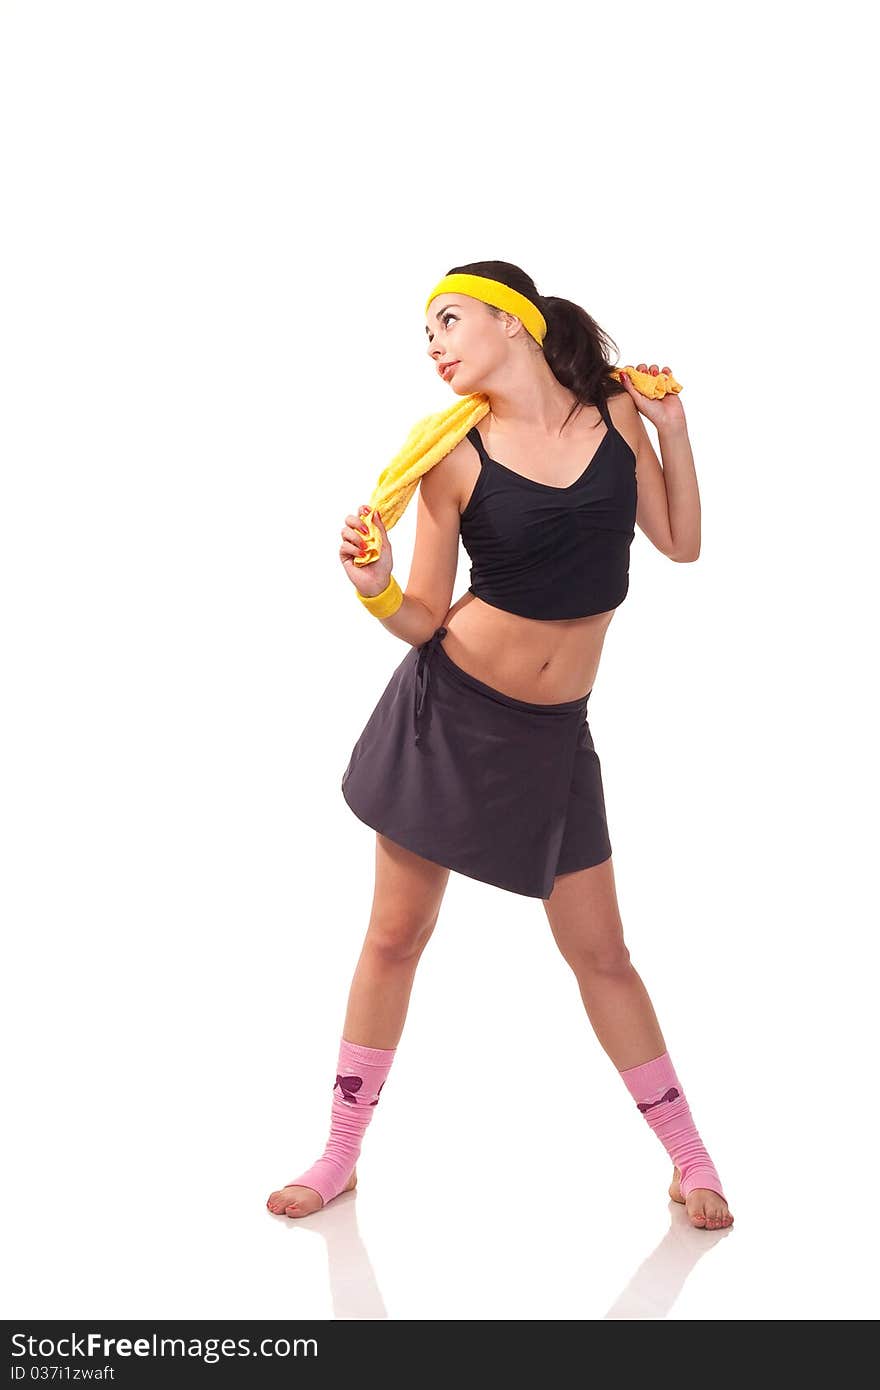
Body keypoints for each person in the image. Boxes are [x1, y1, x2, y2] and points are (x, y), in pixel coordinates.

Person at [267, 261, 733, 1232]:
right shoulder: (453, 455)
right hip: (447, 717)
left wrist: (675, 432)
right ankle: (339, 1153)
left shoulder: (615, 414)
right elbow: (425, 615)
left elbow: (680, 541)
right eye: (424, 333)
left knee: (602, 953)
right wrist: (374, 584)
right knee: (395, 937)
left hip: (554, 736)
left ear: (513, 324)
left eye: (448, 321)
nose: (433, 344)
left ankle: (690, 1159)